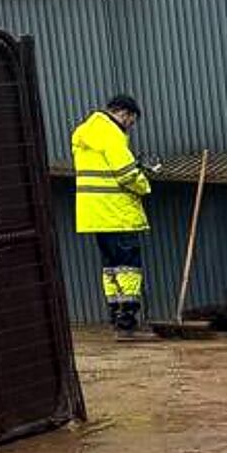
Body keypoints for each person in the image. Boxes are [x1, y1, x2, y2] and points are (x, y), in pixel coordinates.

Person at [72, 94, 152, 338]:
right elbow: (126, 173)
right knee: (128, 265)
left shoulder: (85, 132)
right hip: (117, 212)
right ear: (124, 113)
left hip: (94, 214)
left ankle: (116, 316)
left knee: (111, 266)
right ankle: (128, 321)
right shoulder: (111, 134)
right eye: (131, 121)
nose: (130, 126)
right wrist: (144, 184)